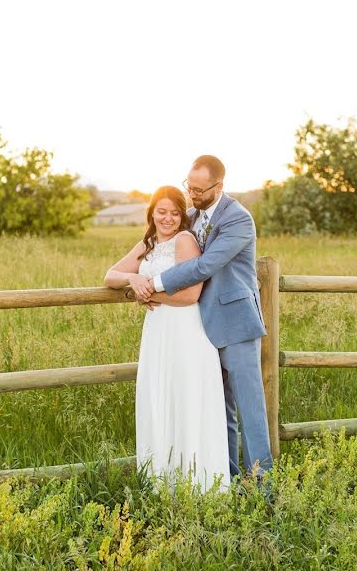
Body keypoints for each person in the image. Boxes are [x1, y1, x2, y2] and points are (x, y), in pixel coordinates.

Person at [130, 155, 273, 482]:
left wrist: (156, 285)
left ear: (218, 186)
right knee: (220, 413)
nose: (191, 195)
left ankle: (263, 488)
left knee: (250, 413)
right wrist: (137, 281)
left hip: (235, 323)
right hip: (198, 329)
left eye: (197, 189)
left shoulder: (238, 220)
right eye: (188, 186)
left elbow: (206, 265)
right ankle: (228, 479)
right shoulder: (191, 215)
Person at [104, 185, 230, 493]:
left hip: (186, 333)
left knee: (184, 398)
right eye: (161, 212)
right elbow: (110, 276)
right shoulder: (147, 243)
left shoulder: (184, 241)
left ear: (182, 216)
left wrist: (148, 292)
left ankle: (196, 484)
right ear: (151, 213)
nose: (168, 218)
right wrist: (133, 279)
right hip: (158, 332)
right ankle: (162, 481)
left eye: (175, 213)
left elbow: (190, 294)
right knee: (159, 396)